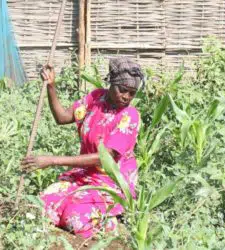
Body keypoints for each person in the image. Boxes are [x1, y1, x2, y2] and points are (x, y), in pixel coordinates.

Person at [21, 57, 144, 238]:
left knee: (74, 220)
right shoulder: (95, 98)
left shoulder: (129, 116)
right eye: (122, 90)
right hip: (84, 176)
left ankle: (116, 220)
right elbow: (62, 117)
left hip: (111, 182)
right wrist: (51, 86)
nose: (126, 97)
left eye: (132, 93)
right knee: (40, 207)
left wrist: (51, 160)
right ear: (111, 83)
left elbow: (105, 158)